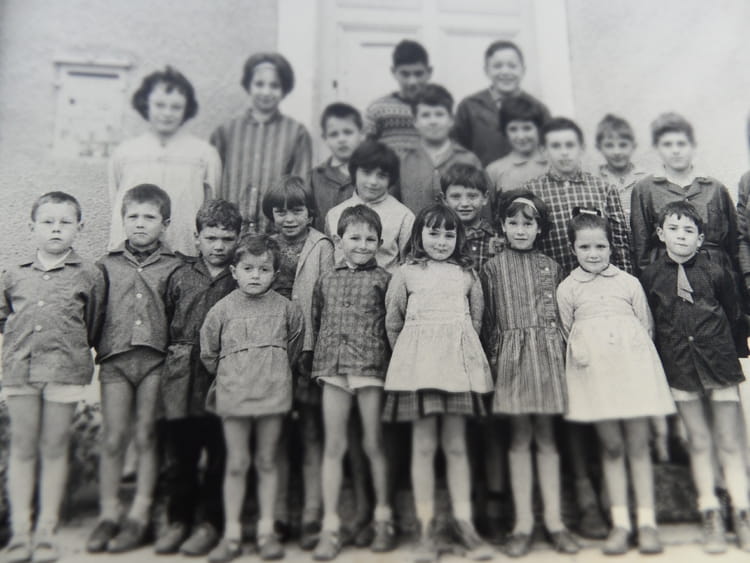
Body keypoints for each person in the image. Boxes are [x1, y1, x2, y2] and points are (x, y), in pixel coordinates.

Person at [522, 117, 632, 539]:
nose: (564, 152)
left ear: (580, 147)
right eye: (555, 145)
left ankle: (612, 493)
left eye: (570, 144)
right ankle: (584, 492)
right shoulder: (534, 191)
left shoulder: (601, 189)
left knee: (609, 398)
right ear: (544, 150)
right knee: (572, 400)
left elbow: (622, 247)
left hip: (603, 310)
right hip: (557, 307)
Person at [557, 211, 675, 555]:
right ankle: (621, 524)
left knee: (638, 445)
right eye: (584, 247)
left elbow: (646, 326)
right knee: (611, 447)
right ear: (573, 249)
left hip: (631, 369)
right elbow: (567, 331)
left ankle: (647, 523)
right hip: (595, 375)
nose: (593, 254)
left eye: (600, 246)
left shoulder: (628, 283)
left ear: (611, 247)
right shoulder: (567, 288)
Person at [383, 204, 494, 562]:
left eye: (449, 234)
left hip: (457, 370)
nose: (441, 241)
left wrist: (461, 358)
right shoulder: (406, 273)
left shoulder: (466, 275)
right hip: (418, 371)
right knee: (423, 447)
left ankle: (464, 524)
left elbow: (476, 321)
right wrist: (410, 360)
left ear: (458, 238)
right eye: (433, 233)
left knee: (456, 447)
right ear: (418, 236)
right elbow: (393, 322)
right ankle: (426, 527)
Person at [641, 201, 750, 554]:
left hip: (719, 365)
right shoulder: (651, 277)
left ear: (700, 239)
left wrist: (731, 356)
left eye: (689, 230)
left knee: (729, 441)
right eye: (673, 229)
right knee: (699, 442)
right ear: (660, 234)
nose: (681, 236)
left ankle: (743, 512)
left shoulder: (717, 271)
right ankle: (710, 513)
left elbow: (734, 314)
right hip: (680, 368)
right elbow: (652, 325)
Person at [1, 192, 104, 563]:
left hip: (64, 371)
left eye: (65, 222)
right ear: (32, 227)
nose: (56, 229)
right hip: (20, 370)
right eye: (47, 222)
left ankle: (46, 531)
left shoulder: (89, 274)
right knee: (23, 447)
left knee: (55, 447)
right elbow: (4, 319)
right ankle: (20, 532)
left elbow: (93, 323)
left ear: (79, 227)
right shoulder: (14, 273)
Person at [480, 191, 577, 557]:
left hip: (548, 358)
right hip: (510, 360)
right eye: (513, 223)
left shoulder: (552, 267)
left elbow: (563, 320)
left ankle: (554, 522)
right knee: (519, 438)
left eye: (528, 223)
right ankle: (522, 524)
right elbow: (487, 321)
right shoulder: (491, 268)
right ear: (502, 226)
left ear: (540, 228)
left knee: (547, 438)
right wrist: (495, 362)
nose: (520, 230)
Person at [87, 184, 183, 553]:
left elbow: (176, 317)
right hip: (116, 361)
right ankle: (109, 514)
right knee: (113, 437)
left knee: (147, 436)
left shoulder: (175, 266)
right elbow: (94, 316)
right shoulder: (106, 265)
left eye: (149, 217)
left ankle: (139, 514)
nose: (140, 223)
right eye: (133, 216)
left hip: (155, 363)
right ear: (123, 220)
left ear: (165, 224)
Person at [200, 235, 304, 562]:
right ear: (234, 271)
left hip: (273, 394)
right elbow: (209, 354)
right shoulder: (221, 310)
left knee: (267, 460)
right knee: (237, 463)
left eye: (264, 269)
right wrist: (236, 374)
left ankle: (266, 531)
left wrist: (272, 371)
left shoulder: (287, 309)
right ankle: (231, 535)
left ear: (275, 273)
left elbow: (293, 350)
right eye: (248, 268)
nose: (255, 275)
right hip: (234, 394)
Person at [155, 200, 242, 556]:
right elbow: (165, 321)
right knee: (181, 454)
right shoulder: (180, 275)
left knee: (220, 453)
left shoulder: (241, 277)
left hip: (225, 376)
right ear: (197, 238)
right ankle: (178, 521)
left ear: (238, 239)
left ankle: (211, 523)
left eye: (227, 238)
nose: (218, 246)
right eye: (211, 238)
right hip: (181, 375)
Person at [311, 205, 395, 561]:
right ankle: (330, 526)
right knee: (334, 445)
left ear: (380, 242)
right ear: (338, 239)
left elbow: (392, 324)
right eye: (354, 237)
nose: (362, 245)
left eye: (370, 239)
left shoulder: (385, 280)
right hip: (332, 366)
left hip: (370, 367)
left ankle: (383, 518)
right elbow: (318, 319)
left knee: (373, 443)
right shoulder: (326, 279)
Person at [262, 177, 335, 549]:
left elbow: (327, 301)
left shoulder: (322, 247)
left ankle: (311, 514)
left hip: (308, 352)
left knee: (310, 433)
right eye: (280, 211)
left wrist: (317, 350)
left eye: (296, 211)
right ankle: (277, 515)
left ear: (310, 213)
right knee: (274, 436)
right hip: (269, 353)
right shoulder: (264, 248)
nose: (288, 219)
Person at [108, 66, 222, 256]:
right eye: (160, 105)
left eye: (176, 107)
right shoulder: (125, 152)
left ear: (186, 109)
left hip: (184, 249)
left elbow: (211, 209)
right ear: (146, 104)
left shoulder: (203, 154)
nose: (167, 113)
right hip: (134, 255)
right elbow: (118, 203)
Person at [210, 52, 312, 233]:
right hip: (230, 233)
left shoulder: (296, 133)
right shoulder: (226, 132)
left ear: (284, 89)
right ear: (248, 85)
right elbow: (212, 186)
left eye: (274, 85)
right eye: (259, 84)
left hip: (275, 235)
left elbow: (300, 190)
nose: (266, 92)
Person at [630, 112, 739, 276]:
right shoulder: (645, 189)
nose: (675, 151)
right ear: (657, 148)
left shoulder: (715, 188)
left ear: (693, 146)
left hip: (715, 271)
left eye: (682, 144)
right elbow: (640, 246)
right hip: (666, 272)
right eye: (667, 145)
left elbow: (734, 241)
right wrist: (649, 279)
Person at [453, 40, 550, 167]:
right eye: (497, 66)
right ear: (486, 70)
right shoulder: (470, 107)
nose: (505, 72)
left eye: (512, 66)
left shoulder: (538, 108)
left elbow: (548, 149)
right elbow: (458, 148)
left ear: (523, 70)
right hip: (482, 176)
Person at [325, 140, 415, 273]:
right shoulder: (334, 214)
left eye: (381, 176)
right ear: (354, 172)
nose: (373, 182)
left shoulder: (404, 216)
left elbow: (408, 266)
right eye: (366, 173)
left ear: (390, 179)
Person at [397, 84, 482, 214]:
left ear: (451, 120)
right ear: (415, 121)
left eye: (439, 114)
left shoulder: (469, 160)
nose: (433, 121)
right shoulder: (403, 160)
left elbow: (482, 209)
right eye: (425, 115)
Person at [363, 39, 432, 155]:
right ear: (393, 72)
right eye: (405, 74)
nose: (412, 82)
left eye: (418, 74)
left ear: (429, 72)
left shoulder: (438, 110)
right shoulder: (377, 109)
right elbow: (363, 153)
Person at [308, 103, 363, 231]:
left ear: (361, 133)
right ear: (325, 138)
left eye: (348, 132)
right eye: (334, 134)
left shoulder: (374, 175)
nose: (341, 139)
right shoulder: (315, 177)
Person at [485, 96, 548, 201]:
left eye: (527, 128)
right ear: (505, 132)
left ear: (539, 129)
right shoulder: (494, 170)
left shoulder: (553, 163)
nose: (521, 136)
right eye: (513, 129)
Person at [594, 114, 647, 222]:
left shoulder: (645, 179)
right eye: (609, 145)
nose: (617, 152)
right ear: (599, 147)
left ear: (633, 146)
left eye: (623, 145)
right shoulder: (595, 181)